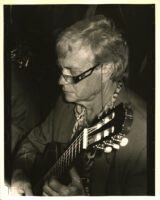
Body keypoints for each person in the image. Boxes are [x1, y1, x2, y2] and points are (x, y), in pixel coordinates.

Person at [10, 15, 147, 196]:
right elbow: (32, 143)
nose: (60, 81)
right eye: (61, 70)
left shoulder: (145, 138)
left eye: (72, 73)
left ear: (106, 69)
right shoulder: (68, 102)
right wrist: (20, 173)